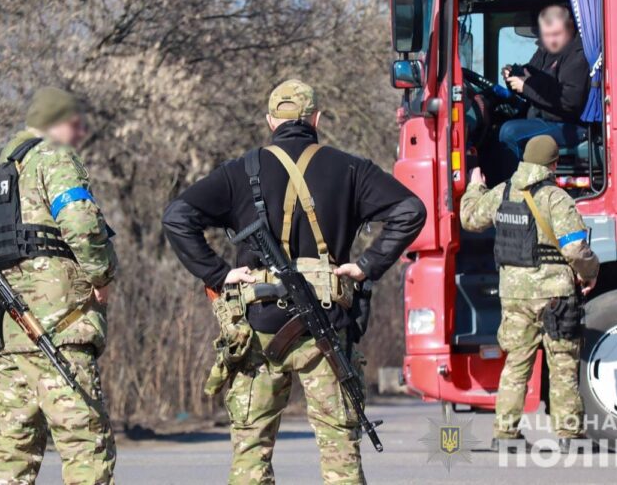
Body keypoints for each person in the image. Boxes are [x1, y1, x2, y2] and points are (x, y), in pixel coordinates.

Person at [162, 79, 426, 484]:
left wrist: (217, 273)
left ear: (271, 121)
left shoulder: (239, 170)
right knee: (340, 452)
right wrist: (366, 265)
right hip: (325, 326)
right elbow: (410, 210)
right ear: (316, 118)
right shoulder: (350, 168)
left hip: (257, 326)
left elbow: (177, 217)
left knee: (251, 452)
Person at [0, 87, 118, 484]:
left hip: (10, 329)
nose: (78, 136)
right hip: (58, 325)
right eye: (75, 126)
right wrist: (101, 274)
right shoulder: (53, 155)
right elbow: (79, 220)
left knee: (14, 449)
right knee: (85, 442)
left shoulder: (0, 173)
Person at [459, 135, 599, 453]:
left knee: (517, 364)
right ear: (553, 164)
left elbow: (469, 218)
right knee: (562, 363)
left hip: (514, 295)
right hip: (555, 295)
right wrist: (590, 272)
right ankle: (568, 435)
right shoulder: (556, 198)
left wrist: (474, 186)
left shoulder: (502, 192)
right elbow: (576, 249)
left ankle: (505, 434)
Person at [499, 5, 590, 174]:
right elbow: (532, 74)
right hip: (544, 117)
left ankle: (514, 190)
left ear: (570, 28)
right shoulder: (546, 50)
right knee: (498, 124)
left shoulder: (578, 54)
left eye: (556, 34)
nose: (551, 40)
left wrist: (526, 86)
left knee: (509, 132)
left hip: (569, 124)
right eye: (547, 35)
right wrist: (513, 76)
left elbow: (569, 100)